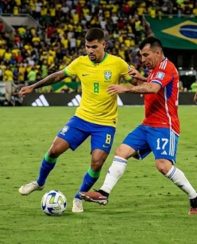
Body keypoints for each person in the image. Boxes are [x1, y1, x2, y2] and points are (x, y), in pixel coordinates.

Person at [80, 36, 197, 215]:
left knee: (163, 165)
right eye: (141, 55)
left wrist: (127, 88)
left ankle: (195, 197)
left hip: (164, 125)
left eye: (146, 55)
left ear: (158, 53)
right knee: (121, 152)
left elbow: (153, 88)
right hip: (147, 125)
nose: (142, 59)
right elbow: (154, 83)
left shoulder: (166, 67)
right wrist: (142, 78)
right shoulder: (155, 69)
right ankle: (104, 193)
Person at [17, 28, 133, 214]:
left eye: (94, 47)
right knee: (54, 150)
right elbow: (58, 75)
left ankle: (79, 197)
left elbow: (137, 82)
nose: (90, 51)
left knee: (97, 162)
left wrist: (132, 86)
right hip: (81, 118)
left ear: (103, 45)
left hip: (105, 124)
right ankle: (39, 182)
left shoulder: (118, 63)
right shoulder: (80, 62)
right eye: (87, 47)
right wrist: (34, 86)